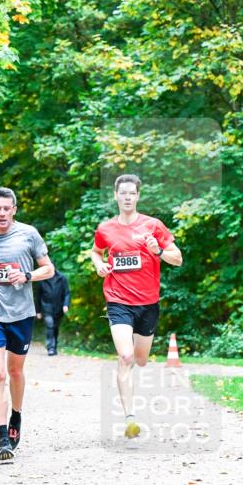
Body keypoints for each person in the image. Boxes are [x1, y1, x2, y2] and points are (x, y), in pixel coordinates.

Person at [89, 174, 183, 438]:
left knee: (140, 360)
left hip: (148, 303)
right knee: (126, 357)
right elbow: (96, 251)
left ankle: (132, 396)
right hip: (118, 300)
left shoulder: (153, 226)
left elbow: (178, 259)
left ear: (138, 196)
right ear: (116, 195)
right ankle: (130, 417)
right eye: (123, 193)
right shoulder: (105, 228)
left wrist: (158, 251)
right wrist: (99, 265)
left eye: (132, 193)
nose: (128, 197)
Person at [0, 187, 54, 461]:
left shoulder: (28, 234)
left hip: (21, 313)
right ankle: (3, 437)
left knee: (15, 371)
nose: (2, 213)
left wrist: (26, 275)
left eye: (7, 208)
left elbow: (48, 269)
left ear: (14, 210)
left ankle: (16, 414)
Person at [34, 268, 71, 356]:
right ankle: (50, 348)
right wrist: (38, 311)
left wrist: (66, 305)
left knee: (55, 327)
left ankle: (54, 346)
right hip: (46, 308)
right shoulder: (42, 279)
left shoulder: (62, 278)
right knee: (49, 325)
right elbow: (38, 296)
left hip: (59, 307)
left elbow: (67, 293)